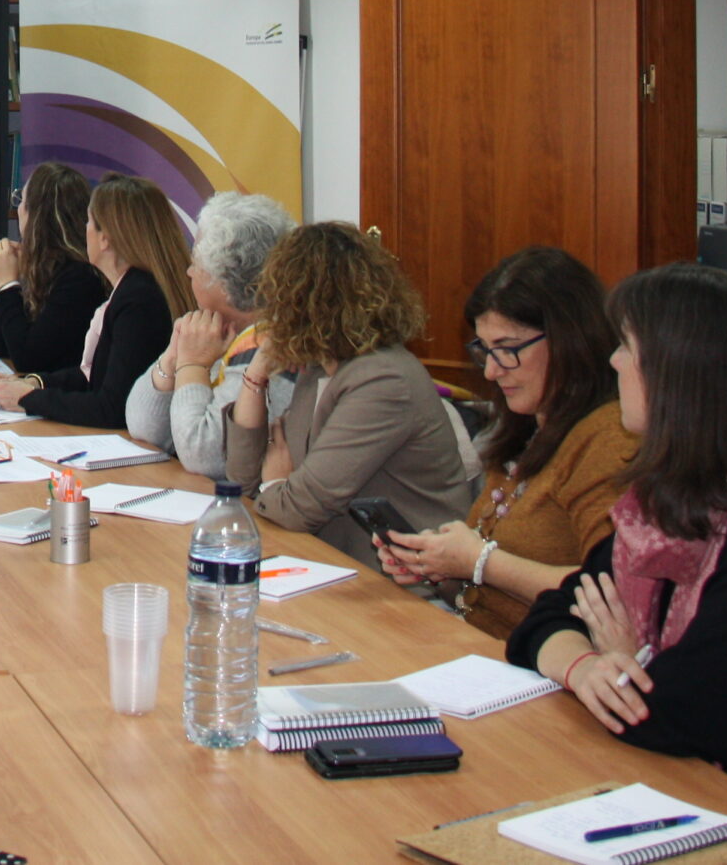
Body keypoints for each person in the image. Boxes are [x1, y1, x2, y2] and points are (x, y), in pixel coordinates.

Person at [509, 263, 727, 791]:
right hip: (653, 775)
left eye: (627, 346)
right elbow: (545, 619)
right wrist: (585, 667)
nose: (613, 360)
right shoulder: (666, 496)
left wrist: (627, 660)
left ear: (680, 373)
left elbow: (686, 714)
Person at [373, 247, 639, 637]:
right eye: (485, 351)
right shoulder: (525, 428)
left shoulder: (608, 439)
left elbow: (610, 592)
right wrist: (437, 565)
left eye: (508, 349)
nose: (492, 371)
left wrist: (480, 562)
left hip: (545, 658)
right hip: (478, 639)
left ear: (569, 339)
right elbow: (479, 588)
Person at [223, 223, 473, 560]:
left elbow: (298, 507)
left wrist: (276, 485)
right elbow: (242, 482)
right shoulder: (319, 368)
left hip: (402, 578)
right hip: (335, 560)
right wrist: (256, 376)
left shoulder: (383, 380)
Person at [0, 174, 190, 429]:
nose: (85, 230)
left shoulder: (139, 300)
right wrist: (34, 383)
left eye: (89, 222)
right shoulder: (131, 289)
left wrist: (28, 399)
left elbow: (111, 407)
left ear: (105, 239)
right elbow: (95, 376)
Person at [124, 191, 295, 480]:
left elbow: (205, 456)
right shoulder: (213, 329)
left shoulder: (271, 345)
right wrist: (173, 357)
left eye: (196, 263)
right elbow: (144, 427)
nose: (189, 272)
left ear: (225, 281)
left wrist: (192, 365)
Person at [0, 162, 110, 377]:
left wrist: (9, 284)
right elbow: (4, 348)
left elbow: (27, 359)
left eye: (22, 200)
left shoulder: (80, 277)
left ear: (36, 215)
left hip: (65, 392)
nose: (18, 209)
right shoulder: (46, 266)